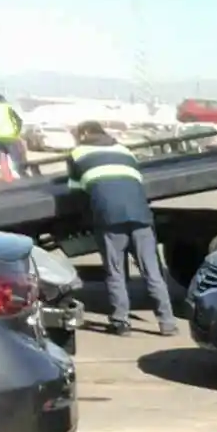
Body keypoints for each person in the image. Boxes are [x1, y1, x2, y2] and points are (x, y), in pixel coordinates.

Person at [67, 120, 176, 337]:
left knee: (115, 272)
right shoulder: (125, 151)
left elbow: (75, 192)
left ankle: (120, 322)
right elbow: (133, 181)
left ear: (84, 134)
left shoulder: (77, 153)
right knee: (152, 272)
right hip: (140, 215)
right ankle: (167, 323)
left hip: (109, 218)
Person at [0, 93, 28, 179]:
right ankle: (21, 175)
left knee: (2, 157)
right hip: (9, 136)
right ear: (1, 100)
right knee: (17, 157)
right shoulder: (7, 107)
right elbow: (19, 121)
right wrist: (16, 132)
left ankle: (6, 176)